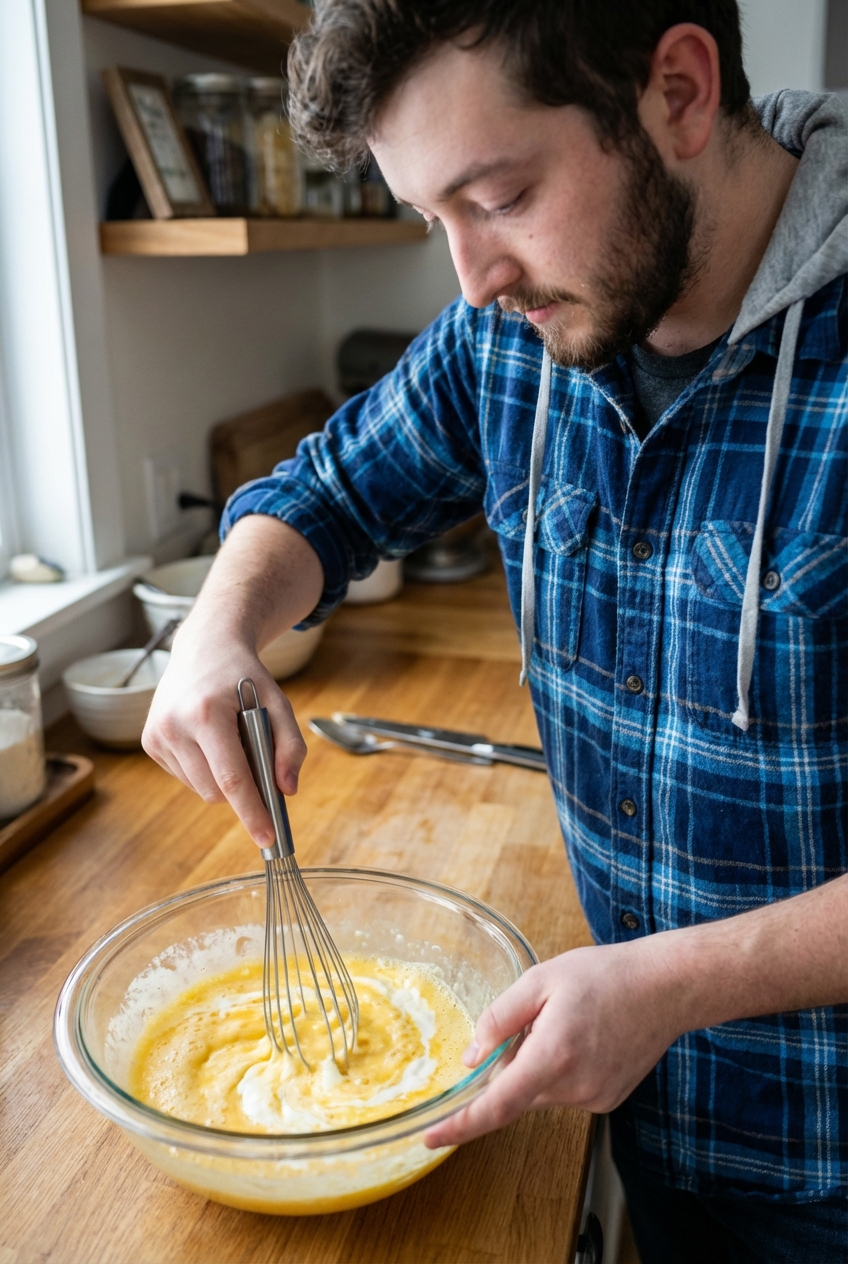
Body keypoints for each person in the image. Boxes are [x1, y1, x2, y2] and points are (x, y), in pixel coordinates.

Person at [143, 3, 848, 1259]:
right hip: (644, 1113)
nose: (470, 281)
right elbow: (326, 490)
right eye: (434, 222)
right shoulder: (511, 338)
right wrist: (218, 627)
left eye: (501, 195)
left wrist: (673, 984)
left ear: (678, 92)